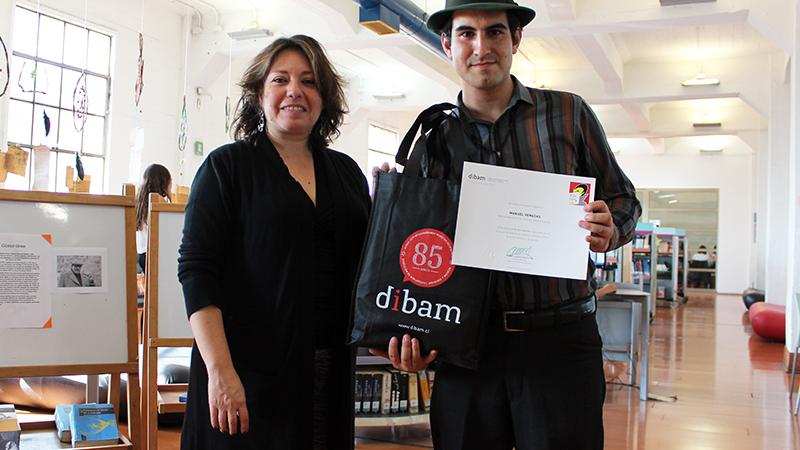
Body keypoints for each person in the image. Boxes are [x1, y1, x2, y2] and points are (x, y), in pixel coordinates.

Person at [370, 1, 642, 448]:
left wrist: (611, 229)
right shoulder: (434, 140)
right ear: (447, 43)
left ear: (515, 39)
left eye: (495, 32)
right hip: (468, 350)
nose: (481, 46)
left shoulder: (568, 114)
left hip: (560, 343)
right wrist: (409, 336)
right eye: (466, 34)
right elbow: (415, 251)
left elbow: (624, 198)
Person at [177, 35, 370, 450]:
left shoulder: (347, 174)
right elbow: (197, 272)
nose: (294, 90)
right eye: (280, 79)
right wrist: (220, 373)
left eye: (309, 81)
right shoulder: (226, 169)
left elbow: (370, 271)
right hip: (246, 377)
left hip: (326, 376)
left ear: (325, 96)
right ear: (260, 94)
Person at [135, 163, 173, 273]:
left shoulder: (140, 201)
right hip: (154, 254)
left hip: (142, 254)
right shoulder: (159, 203)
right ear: (165, 183)